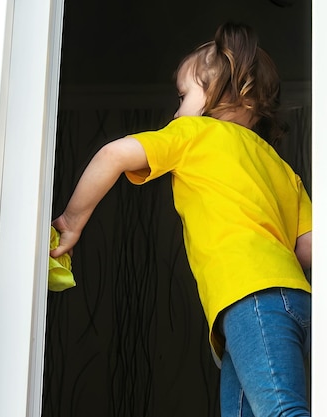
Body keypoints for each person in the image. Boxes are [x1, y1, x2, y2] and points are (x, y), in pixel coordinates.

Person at [50, 22, 312, 417]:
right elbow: (308, 249)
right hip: (292, 300)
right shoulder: (281, 168)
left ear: (223, 94)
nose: (176, 109)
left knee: (281, 411)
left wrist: (72, 221)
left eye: (183, 95)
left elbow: (113, 156)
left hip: (250, 298)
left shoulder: (193, 132)